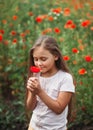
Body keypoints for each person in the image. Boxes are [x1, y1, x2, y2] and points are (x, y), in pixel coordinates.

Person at [26, 35, 75, 130]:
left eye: (43, 59)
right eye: (35, 59)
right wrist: (32, 93)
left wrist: (39, 92)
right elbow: (30, 107)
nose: (39, 63)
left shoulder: (65, 78)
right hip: (33, 126)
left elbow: (59, 109)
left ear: (55, 56)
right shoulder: (36, 75)